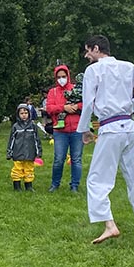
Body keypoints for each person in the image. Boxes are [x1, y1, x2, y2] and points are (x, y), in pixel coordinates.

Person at [78, 35, 134, 244]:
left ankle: (110, 225)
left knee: (97, 179)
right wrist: (131, 104)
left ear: (96, 48)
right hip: (129, 127)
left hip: (110, 128)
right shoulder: (128, 67)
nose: (86, 55)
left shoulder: (93, 71)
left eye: (88, 50)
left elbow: (88, 103)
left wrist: (84, 129)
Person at [46, 64, 84, 193]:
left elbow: (88, 102)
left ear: (68, 76)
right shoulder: (53, 92)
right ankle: (55, 184)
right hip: (60, 131)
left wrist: (77, 107)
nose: (61, 79)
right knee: (59, 159)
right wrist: (64, 108)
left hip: (77, 129)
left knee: (76, 159)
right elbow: (49, 108)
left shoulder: (77, 89)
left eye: (63, 76)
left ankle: (74, 185)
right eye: (59, 77)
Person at [7, 103, 43, 191]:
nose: (24, 115)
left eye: (26, 113)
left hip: (30, 153)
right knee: (17, 169)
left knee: (29, 169)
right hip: (17, 152)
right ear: (18, 114)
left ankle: (29, 186)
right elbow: (11, 140)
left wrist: (38, 152)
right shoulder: (15, 127)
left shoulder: (33, 126)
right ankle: (17, 186)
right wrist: (9, 152)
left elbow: (36, 140)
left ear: (29, 114)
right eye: (21, 113)